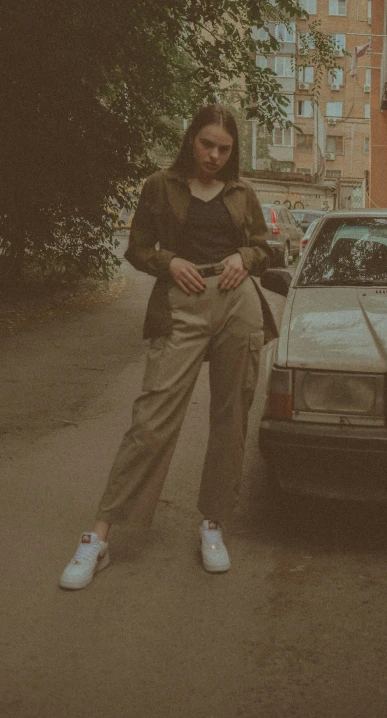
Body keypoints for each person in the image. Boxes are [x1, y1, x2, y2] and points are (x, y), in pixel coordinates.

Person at [59, 105, 278, 589]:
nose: (215, 156)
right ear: (191, 140)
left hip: (235, 303)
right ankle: (98, 537)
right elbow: (137, 247)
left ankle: (213, 524)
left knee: (232, 414)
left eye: (224, 148)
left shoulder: (243, 192)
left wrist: (245, 256)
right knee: (152, 418)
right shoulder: (160, 185)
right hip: (181, 303)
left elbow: (264, 246)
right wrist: (169, 261)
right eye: (207, 144)